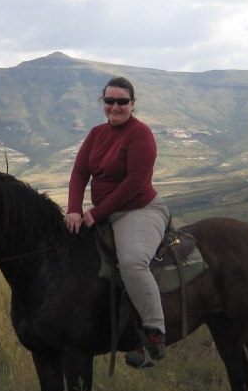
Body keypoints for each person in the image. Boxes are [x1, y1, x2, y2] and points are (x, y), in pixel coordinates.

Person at [66, 76, 171, 368]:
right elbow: (79, 173)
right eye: (109, 101)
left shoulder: (140, 134)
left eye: (122, 101)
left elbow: (135, 183)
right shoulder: (96, 134)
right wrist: (73, 209)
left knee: (132, 262)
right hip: (104, 211)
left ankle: (154, 333)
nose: (115, 106)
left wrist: (96, 213)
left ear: (132, 104)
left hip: (138, 209)